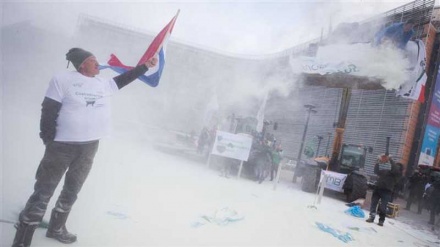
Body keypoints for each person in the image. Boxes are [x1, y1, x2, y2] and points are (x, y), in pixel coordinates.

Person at [12, 48, 158, 247]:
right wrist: (49, 139)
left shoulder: (101, 83)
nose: (97, 63)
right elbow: (48, 109)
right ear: (82, 65)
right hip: (62, 146)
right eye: (92, 60)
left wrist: (145, 67)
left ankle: (56, 228)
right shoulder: (62, 79)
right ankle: (22, 239)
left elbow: (124, 79)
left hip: (89, 146)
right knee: (44, 190)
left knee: (72, 189)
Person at [366, 156, 402, 226]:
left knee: (383, 207)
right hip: (377, 189)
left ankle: (381, 220)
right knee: (373, 204)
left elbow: (395, 169)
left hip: (386, 192)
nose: (394, 167)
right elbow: (376, 171)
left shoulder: (397, 175)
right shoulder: (386, 171)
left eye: (397, 167)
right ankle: (372, 217)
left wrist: (390, 159)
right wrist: (377, 162)